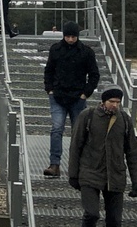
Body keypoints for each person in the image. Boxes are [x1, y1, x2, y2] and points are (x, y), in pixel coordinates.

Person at [68, 86, 137, 227]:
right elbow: (76, 145)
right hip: (90, 173)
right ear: (104, 102)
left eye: (118, 102)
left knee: (114, 222)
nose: (115, 105)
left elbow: (132, 152)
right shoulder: (89, 116)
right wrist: (73, 174)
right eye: (112, 102)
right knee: (92, 213)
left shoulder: (124, 121)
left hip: (115, 176)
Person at [42, 21, 100, 177]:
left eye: (73, 36)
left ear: (77, 36)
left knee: (79, 133)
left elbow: (94, 75)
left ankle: (78, 166)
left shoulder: (86, 52)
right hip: (58, 97)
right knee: (56, 129)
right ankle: (54, 164)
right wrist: (50, 89)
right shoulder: (55, 50)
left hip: (78, 99)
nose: (70, 40)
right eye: (67, 36)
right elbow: (49, 71)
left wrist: (85, 94)